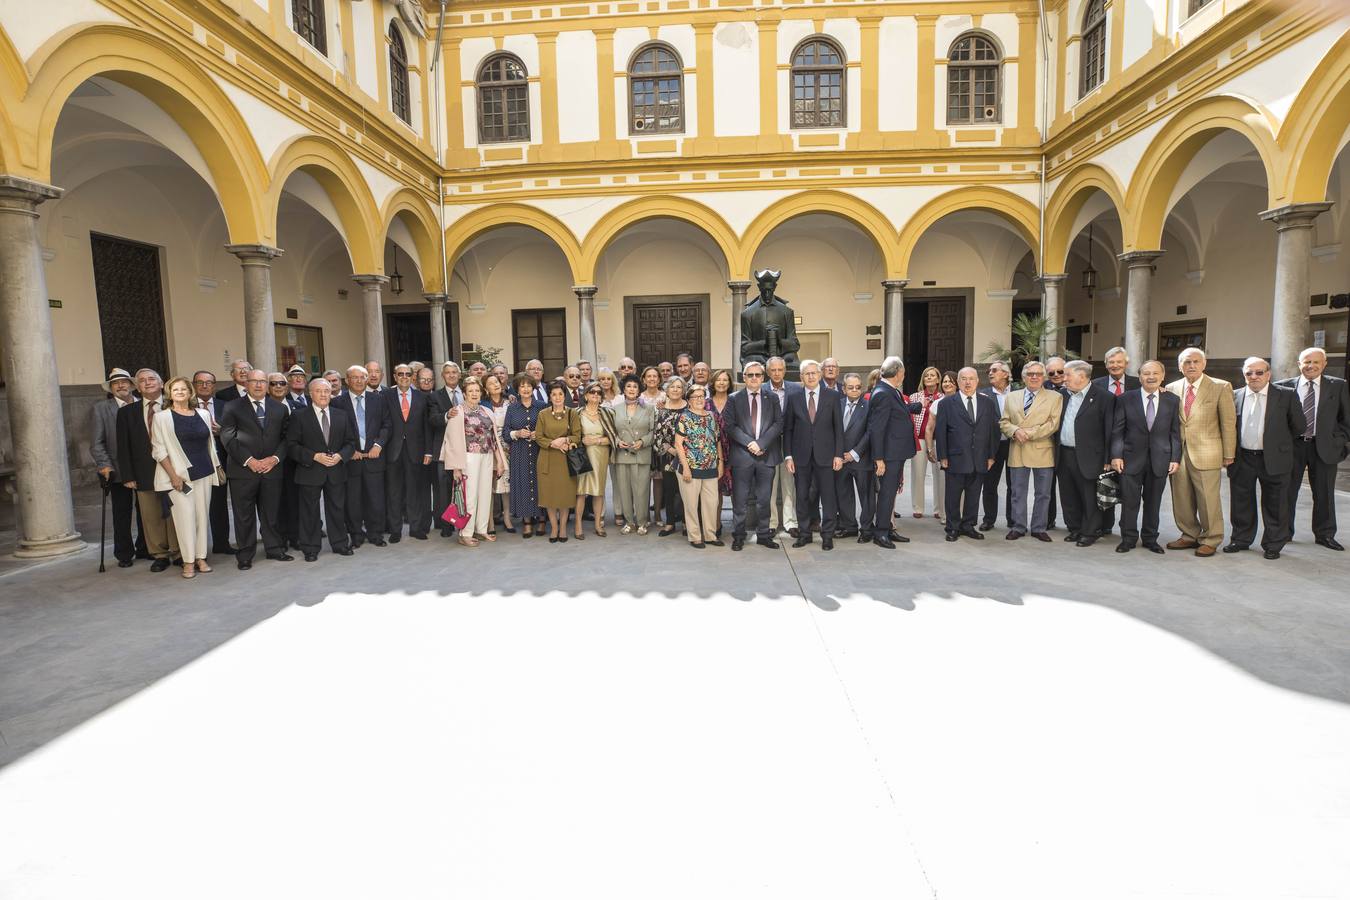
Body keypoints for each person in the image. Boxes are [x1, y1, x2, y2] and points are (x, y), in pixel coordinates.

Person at [1226, 357, 1305, 559]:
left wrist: (1280, 447)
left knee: (1276, 503)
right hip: (1242, 458)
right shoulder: (1234, 396)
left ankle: (1273, 544)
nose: (1254, 377)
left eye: (1259, 372)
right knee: (1241, 502)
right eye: (1249, 373)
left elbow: (1299, 427)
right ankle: (1241, 539)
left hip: (1274, 458)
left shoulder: (1285, 395)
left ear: (1268, 374)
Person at [1166, 348, 1236, 557]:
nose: (1192, 366)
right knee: (1181, 497)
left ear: (1204, 364)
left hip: (1208, 452)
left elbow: (1228, 422)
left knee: (1208, 499)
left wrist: (1229, 453)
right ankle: (1188, 534)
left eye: (1196, 361)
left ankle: (1211, 538)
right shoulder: (1171, 388)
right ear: (1180, 366)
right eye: (1187, 362)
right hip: (1178, 453)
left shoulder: (1220, 387)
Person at [1278, 347, 1350, 551]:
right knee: (1287, 491)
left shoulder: (1338, 386)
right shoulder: (1283, 387)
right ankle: (1284, 532)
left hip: (1324, 446)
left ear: (1324, 363)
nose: (1311, 366)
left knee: (1324, 493)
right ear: (1299, 364)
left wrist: (1339, 441)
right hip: (1293, 446)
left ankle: (1325, 535)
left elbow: (1346, 419)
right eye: (1306, 362)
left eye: (1316, 362)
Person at [219, 369, 293, 569]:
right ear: (246, 384)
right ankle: (245, 554)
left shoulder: (279, 408)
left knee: (271, 512)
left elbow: (287, 439)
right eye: (254, 381)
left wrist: (275, 459)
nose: (259, 385)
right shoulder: (232, 407)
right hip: (243, 471)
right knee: (244, 515)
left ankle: (274, 548)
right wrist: (249, 460)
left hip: (272, 470)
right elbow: (227, 437)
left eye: (263, 381)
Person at [151, 376, 222, 578]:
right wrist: (173, 475)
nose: (180, 392)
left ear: (190, 392)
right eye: (176, 390)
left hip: (205, 472)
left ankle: (201, 558)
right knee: (184, 519)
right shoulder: (161, 417)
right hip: (179, 476)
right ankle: (188, 561)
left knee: (201, 517)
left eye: (184, 389)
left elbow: (210, 444)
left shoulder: (203, 414)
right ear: (169, 394)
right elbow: (158, 450)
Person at [1110, 360, 1181, 554]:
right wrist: (1116, 455)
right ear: (1140, 377)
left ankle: (1150, 539)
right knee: (1130, 502)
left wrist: (1175, 458)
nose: (1151, 377)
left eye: (1155, 373)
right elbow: (1118, 431)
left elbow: (1175, 432)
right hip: (1130, 459)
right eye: (1146, 373)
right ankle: (1128, 538)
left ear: (1163, 376)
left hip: (1160, 460)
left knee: (1153, 502)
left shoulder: (1172, 400)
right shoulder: (1125, 398)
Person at [116, 368, 180, 571]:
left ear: (162, 384)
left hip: (175, 470)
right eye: (142, 380)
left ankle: (179, 552)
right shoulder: (126, 412)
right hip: (144, 472)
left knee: (176, 511)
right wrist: (128, 475)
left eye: (152, 379)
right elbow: (123, 446)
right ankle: (159, 554)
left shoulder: (176, 406)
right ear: (137, 387)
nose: (147, 382)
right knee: (151, 516)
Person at [287, 378, 355, 560]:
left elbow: (350, 442)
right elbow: (291, 445)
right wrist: (314, 456)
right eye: (319, 391)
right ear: (311, 393)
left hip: (336, 471)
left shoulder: (341, 415)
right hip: (310, 471)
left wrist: (341, 456)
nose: (324, 394)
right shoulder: (299, 416)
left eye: (327, 391)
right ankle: (310, 548)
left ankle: (340, 543)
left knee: (337, 509)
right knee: (309, 512)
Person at [999, 361, 1063, 542]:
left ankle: (1039, 527)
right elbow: (1004, 421)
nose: (1034, 377)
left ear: (1043, 377)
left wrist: (1028, 433)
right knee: (1017, 492)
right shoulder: (1012, 397)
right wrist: (1014, 431)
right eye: (1030, 374)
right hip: (1017, 449)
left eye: (1038, 374)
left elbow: (1053, 424)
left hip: (1042, 450)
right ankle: (1018, 527)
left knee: (1043, 493)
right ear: (1024, 377)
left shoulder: (1054, 397)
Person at [440, 377, 507, 547]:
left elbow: (493, 438)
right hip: (468, 457)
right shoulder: (458, 411)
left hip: (487, 456)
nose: (474, 393)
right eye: (470, 391)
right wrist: (456, 467)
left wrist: (499, 461)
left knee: (485, 494)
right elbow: (452, 441)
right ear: (464, 394)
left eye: (477, 390)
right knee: (469, 496)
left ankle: (482, 529)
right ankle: (465, 533)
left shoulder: (487, 411)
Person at [934, 367, 999, 541]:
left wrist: (991, 456)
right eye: (963, 379)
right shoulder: (946, 403)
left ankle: (969, 525)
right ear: (958, 382)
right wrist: (943, 457)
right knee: (953, 496)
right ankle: (953, 527)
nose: (968, 382)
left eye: (971, 379)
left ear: (978, 381)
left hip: (980, 458)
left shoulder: (988, 403)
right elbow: (940, 432)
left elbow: (993, 431)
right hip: (955, 458)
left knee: (974, 495)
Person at [783, 359, 843, 550]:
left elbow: (838, 429)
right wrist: (788, 456)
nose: (810, 376)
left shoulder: (832, 396)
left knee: (828, 497)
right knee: (802, 496)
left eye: (813, 373)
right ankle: (804, 534)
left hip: (826, 455)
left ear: (820, 375)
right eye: (806, 374)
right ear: (801, 377)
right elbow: (788, 429)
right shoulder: (793, 397)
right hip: (800, 457)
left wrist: (838, 455)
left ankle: (827, 535)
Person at [724, 361, 783, 551]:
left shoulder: (772, 398)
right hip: (743, 456)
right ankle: (739, 536)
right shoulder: (734, 398)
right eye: (750, 375)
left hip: (766, 456)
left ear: (763, 377)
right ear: (744, 377)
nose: (754, 378)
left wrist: (762, 443)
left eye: (758, 375)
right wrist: (751, 443)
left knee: (764, 500)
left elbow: (778, 424)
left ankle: (764, 535)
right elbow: (730, 425)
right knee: (740, 501)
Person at [330, 365, 390, 548]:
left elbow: (387, 425)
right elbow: (334, 431)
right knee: (353, 501)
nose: (358, 380)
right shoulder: (337, 403)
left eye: (361, 377)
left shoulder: (378, 400)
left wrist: (378, 445)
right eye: (353, 377)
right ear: (346, 381)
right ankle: (356, 534)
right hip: (351, 460)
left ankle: (376, 533)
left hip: (374, 458)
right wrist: (348, 451)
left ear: (366, 380)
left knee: (376, 499)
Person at [91, 367, 146, 567]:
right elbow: (97, 442)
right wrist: (104, 465)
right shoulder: (101, 408)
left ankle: (145, 548)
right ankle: (124, 553)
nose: (120, 385)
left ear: (132, 385)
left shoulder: (143, 404)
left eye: (124, 382)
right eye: (115, 383)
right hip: (118, 469)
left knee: (146, 511)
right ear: (111, 388)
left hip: (144, 468)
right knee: (121, 513)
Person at [1056, 360, 1115, 547]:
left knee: (1089, 496)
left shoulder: (1103, 397)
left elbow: (1110, 431)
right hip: (1064, 453)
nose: (1063, 378)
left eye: (1067, 375)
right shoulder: (1062, 395)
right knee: (1068, 494)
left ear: (1082, 376)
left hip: (1091, 456)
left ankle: (1091, 531)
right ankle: (1075, 528)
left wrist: (1108, 459)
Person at [867, 357, 924, 547]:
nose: (904, 375)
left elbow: (896, 414)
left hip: (896, 453)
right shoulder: (883, 392)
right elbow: (877, 428)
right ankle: (881, 533)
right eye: (903, 372)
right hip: (888, 455)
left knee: (890, 494)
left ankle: (888, 528)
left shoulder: (890, 391)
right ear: (898, 373)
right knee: (886, 493)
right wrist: (879, 458)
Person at [385, 364, 434, 542]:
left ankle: (416, 527)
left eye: (408, 374)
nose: (404, 377)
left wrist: (428, 451)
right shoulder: (386, 395)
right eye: (400, 374)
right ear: (395, 376)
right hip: (393, 451)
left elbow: (426, 426)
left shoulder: (422, 397)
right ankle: (395, 530)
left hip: (416, 450)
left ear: (412, 377)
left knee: (415, 491)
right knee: (394, 492)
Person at [674, 383, 724, 548]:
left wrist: (720, 463)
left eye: (702, 396)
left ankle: (710, 535)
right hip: (690, 468)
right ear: (688, 400)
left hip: (710, 467)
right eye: (695, 397)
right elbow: (678, 444)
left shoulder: (711, 416)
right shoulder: (684, 417)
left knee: (711, 503)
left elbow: (717, 441)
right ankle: (695, 536)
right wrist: (686, 468)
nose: (699, 399)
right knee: (691, 504)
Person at [191, 370, 233, 556]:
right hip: (197, 462)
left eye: (209, 382)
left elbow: (236, 430)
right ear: (193, 385)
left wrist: (222, 431)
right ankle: (196, 549)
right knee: (196, 506)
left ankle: (221, 543)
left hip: (222, 460)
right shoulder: (186, 406)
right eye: (200, 382)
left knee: (219, 503)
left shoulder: (226, 406)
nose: (205, 385)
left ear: (214, 385)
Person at [535, 381, 582, 542]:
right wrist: (552, 444)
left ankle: (562, 528)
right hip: (547, 459)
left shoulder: (572, 413)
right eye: (554, 394)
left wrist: (564, 439)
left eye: (560, 394)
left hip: (565, 460)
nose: (557, 397)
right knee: (549, 496)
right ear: (549, 396)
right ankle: (554, 527)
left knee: (564, 496)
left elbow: (577, 435)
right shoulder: (543, 414)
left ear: (564, 395)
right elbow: (539, 437)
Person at [611, 374, 654, 535]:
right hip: (622, 455)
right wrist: (616, 441)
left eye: (635, 386)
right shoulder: (616, 409)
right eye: (628, 386)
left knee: (641, 490)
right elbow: (611, 431)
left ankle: (642, 522)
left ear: (639, 390)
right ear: (624, 389)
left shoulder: (648, 408)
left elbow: (653, 431)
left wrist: (643, 441)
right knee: (624, 490)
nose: (631, 389)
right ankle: (629, 522)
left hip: (641, 454)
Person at [503, 373, 544, 537]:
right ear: (518, 389)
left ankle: (542, 520)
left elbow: (550, 428)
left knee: (541, 484)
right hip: (519, 452)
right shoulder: (512, 408)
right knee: (524, 486)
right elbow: (506, 433)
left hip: (539, 451)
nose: (526, 389)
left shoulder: (542, 406)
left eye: (528, 386)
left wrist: (538, 434)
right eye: (522, 386)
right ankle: (527, 522)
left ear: (533, 388)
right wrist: (517, 433)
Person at [765, 355, 802, 537]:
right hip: (769, 444)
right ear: (768, 372)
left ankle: (790, 521)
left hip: (791, 443)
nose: (777, 373)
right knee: (770, 484)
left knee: (789, 484)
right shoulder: (762, 388)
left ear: (785, 371)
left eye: (780, 369)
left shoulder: (796, 388)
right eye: (773, 370)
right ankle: (771, 523)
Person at [572, 382, 615, 538]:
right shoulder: (576, 413)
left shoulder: (608, 413)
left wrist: (597, 441)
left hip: (601, 454)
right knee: (581, 492)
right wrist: (582, 440)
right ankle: (578, 525)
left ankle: (598, 524)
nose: (595, 395)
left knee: (598, 491)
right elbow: (572, 435)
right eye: (592, 392)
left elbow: (613, 437)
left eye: (598, 393)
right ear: (586, 395)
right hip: (583, 456)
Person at [427, 363, 464, 536]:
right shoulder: (435, 396)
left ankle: (463, 522)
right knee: (444, 488)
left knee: (464, 486)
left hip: (466, 447)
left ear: (459, 374)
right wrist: (446, 415)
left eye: (454, 372)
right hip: (444, 448)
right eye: (447, 373)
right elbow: (433, 419)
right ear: (443, 376)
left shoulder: (468, 392)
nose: (451, 375)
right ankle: (446, 526)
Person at [976, 362, 1014, 531]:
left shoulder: (1019, 393)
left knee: (1014, 485)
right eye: (989, 370)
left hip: (1015, 445)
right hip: (992, 447)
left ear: (1006, 374)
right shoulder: (982, 395)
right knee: (990, 485)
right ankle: (989, 519)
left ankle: (1013, 520)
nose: (990, 373)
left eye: (994, 370)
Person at [835, 373, 872, 541]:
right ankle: (849, 526)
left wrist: (854, 453)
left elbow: (870, 433)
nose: (855, 390)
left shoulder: (869, 406)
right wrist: (838, 454)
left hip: (861, 458)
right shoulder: (838, 404)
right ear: (844, 389)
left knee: (866, 496)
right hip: (841, 459)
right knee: (844, 494)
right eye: (851, 387)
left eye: (858, 387)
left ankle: (866, 529)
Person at [653, 377, 690, 536]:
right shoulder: (660, 409)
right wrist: (670, 449)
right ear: (667, 390)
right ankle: (669, 523)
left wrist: (682, 450)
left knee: (686, 491)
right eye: (672, 387)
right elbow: (656, 435)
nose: (675, 390)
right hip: (668, 457)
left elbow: (695, 433)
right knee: (669, 490)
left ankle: (686, 523)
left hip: (688, 457)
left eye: (679, 387)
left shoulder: (689, 408)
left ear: (683, 390)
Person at [923, 371, 959, 524]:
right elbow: (930, 428)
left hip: (962, 448)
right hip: (943, 447)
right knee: (943, 482)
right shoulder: (938, 403)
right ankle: (945, 514)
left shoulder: (965, 400)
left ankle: (961, 514)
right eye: (944, 381)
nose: (947, 384)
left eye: (951, 381)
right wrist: (930, 448)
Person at [909, 366, 942, 519]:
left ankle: (939, 509)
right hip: (919, 439)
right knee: (918, 473)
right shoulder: (915, 397)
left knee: (939, 475)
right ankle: (918, 507)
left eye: (932, 375)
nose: (929, 378)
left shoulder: (943, 397)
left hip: (938, 440)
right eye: (926, 375)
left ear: (937, 379)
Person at [483, 374, 513, 534]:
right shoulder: (483, 405)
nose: (495, 384)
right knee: (490, 486)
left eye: (496, 381)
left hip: (508, 448)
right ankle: (490, 522)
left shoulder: (511, 402)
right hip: (490, 449)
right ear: (485, 389)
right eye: (490, 383)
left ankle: (507, 518)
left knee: (506, 486)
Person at [1043, 356, 1069, 530]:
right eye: (1051, 372)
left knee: (1069, 487)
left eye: (1060, 371)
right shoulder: (1042, 388)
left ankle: (1072, 522)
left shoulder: (1077, 386)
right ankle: (1048, 520)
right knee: (1047, 487)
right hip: (1048, 444)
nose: (1056, 375)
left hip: (1069, 445)